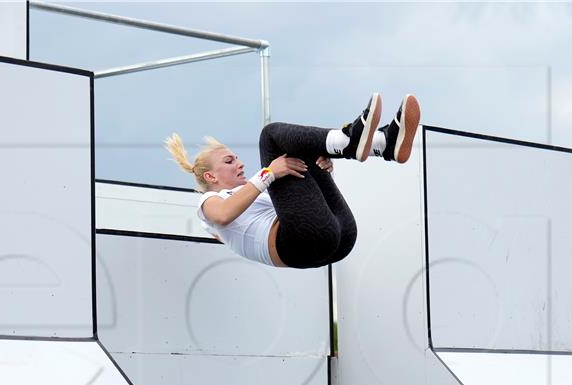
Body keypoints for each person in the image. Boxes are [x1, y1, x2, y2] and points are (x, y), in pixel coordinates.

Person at [164, 93, 420, 269]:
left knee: (298, 151)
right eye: (229, 161)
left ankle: (382, 145)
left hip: (338, 236)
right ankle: (358, 142)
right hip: (300, 243)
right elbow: (222, 217)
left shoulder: (258, 197)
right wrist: (268, 174)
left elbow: (299, 204)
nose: (240, 164)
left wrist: (318, 170)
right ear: (211, 177)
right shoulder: (210, 202)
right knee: (270, 136)